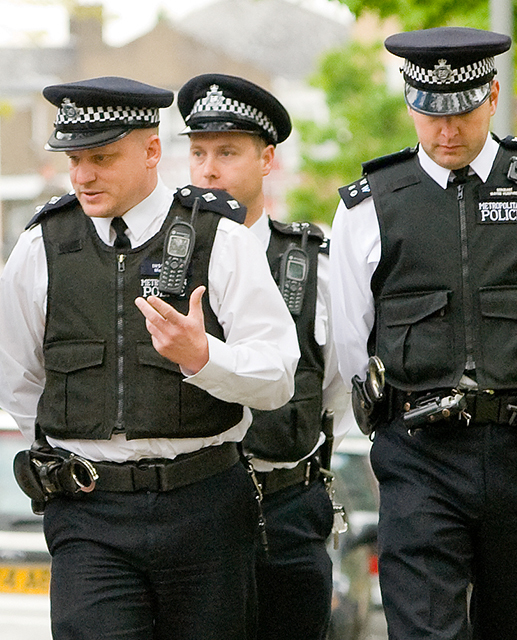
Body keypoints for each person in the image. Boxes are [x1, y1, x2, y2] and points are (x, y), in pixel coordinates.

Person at [0, 76, 300, 640]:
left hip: (204, 508)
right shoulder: (42, 245)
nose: (83, 175)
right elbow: (17, 382)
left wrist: (204, 358)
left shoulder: (220, 238)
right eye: (74, 159)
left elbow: (278, 376)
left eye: (102, 158)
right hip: (89, 514)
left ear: (153, 150)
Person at [330, 27, 517, 640]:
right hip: (420, 457)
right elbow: (354, 344)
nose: (446, 131)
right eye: (431, 113)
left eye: (460, 111)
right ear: (410, 105)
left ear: (491, 95)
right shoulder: (366, 208)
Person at [178, 73, 353, 640]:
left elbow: (343, 382)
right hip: (193, 511)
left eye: (227, 152)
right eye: (198, 152)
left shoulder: (316, 262)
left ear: (267, 159)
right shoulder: (164, 259)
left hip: (288, 507)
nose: (209, 169)